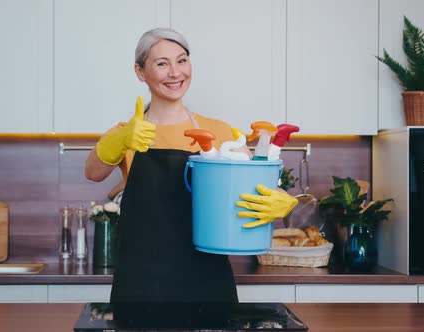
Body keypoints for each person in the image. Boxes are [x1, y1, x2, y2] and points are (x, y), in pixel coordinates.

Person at [85, 28, 297, 327]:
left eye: (181, 60)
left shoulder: (220, 132)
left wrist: (283, 200)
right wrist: (120, 140)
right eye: (161, 63)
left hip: (207, 279)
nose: (175, 72)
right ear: (140, 72)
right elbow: (93, 172)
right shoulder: (129, 131)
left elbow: (256, 187)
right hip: (142, 281)